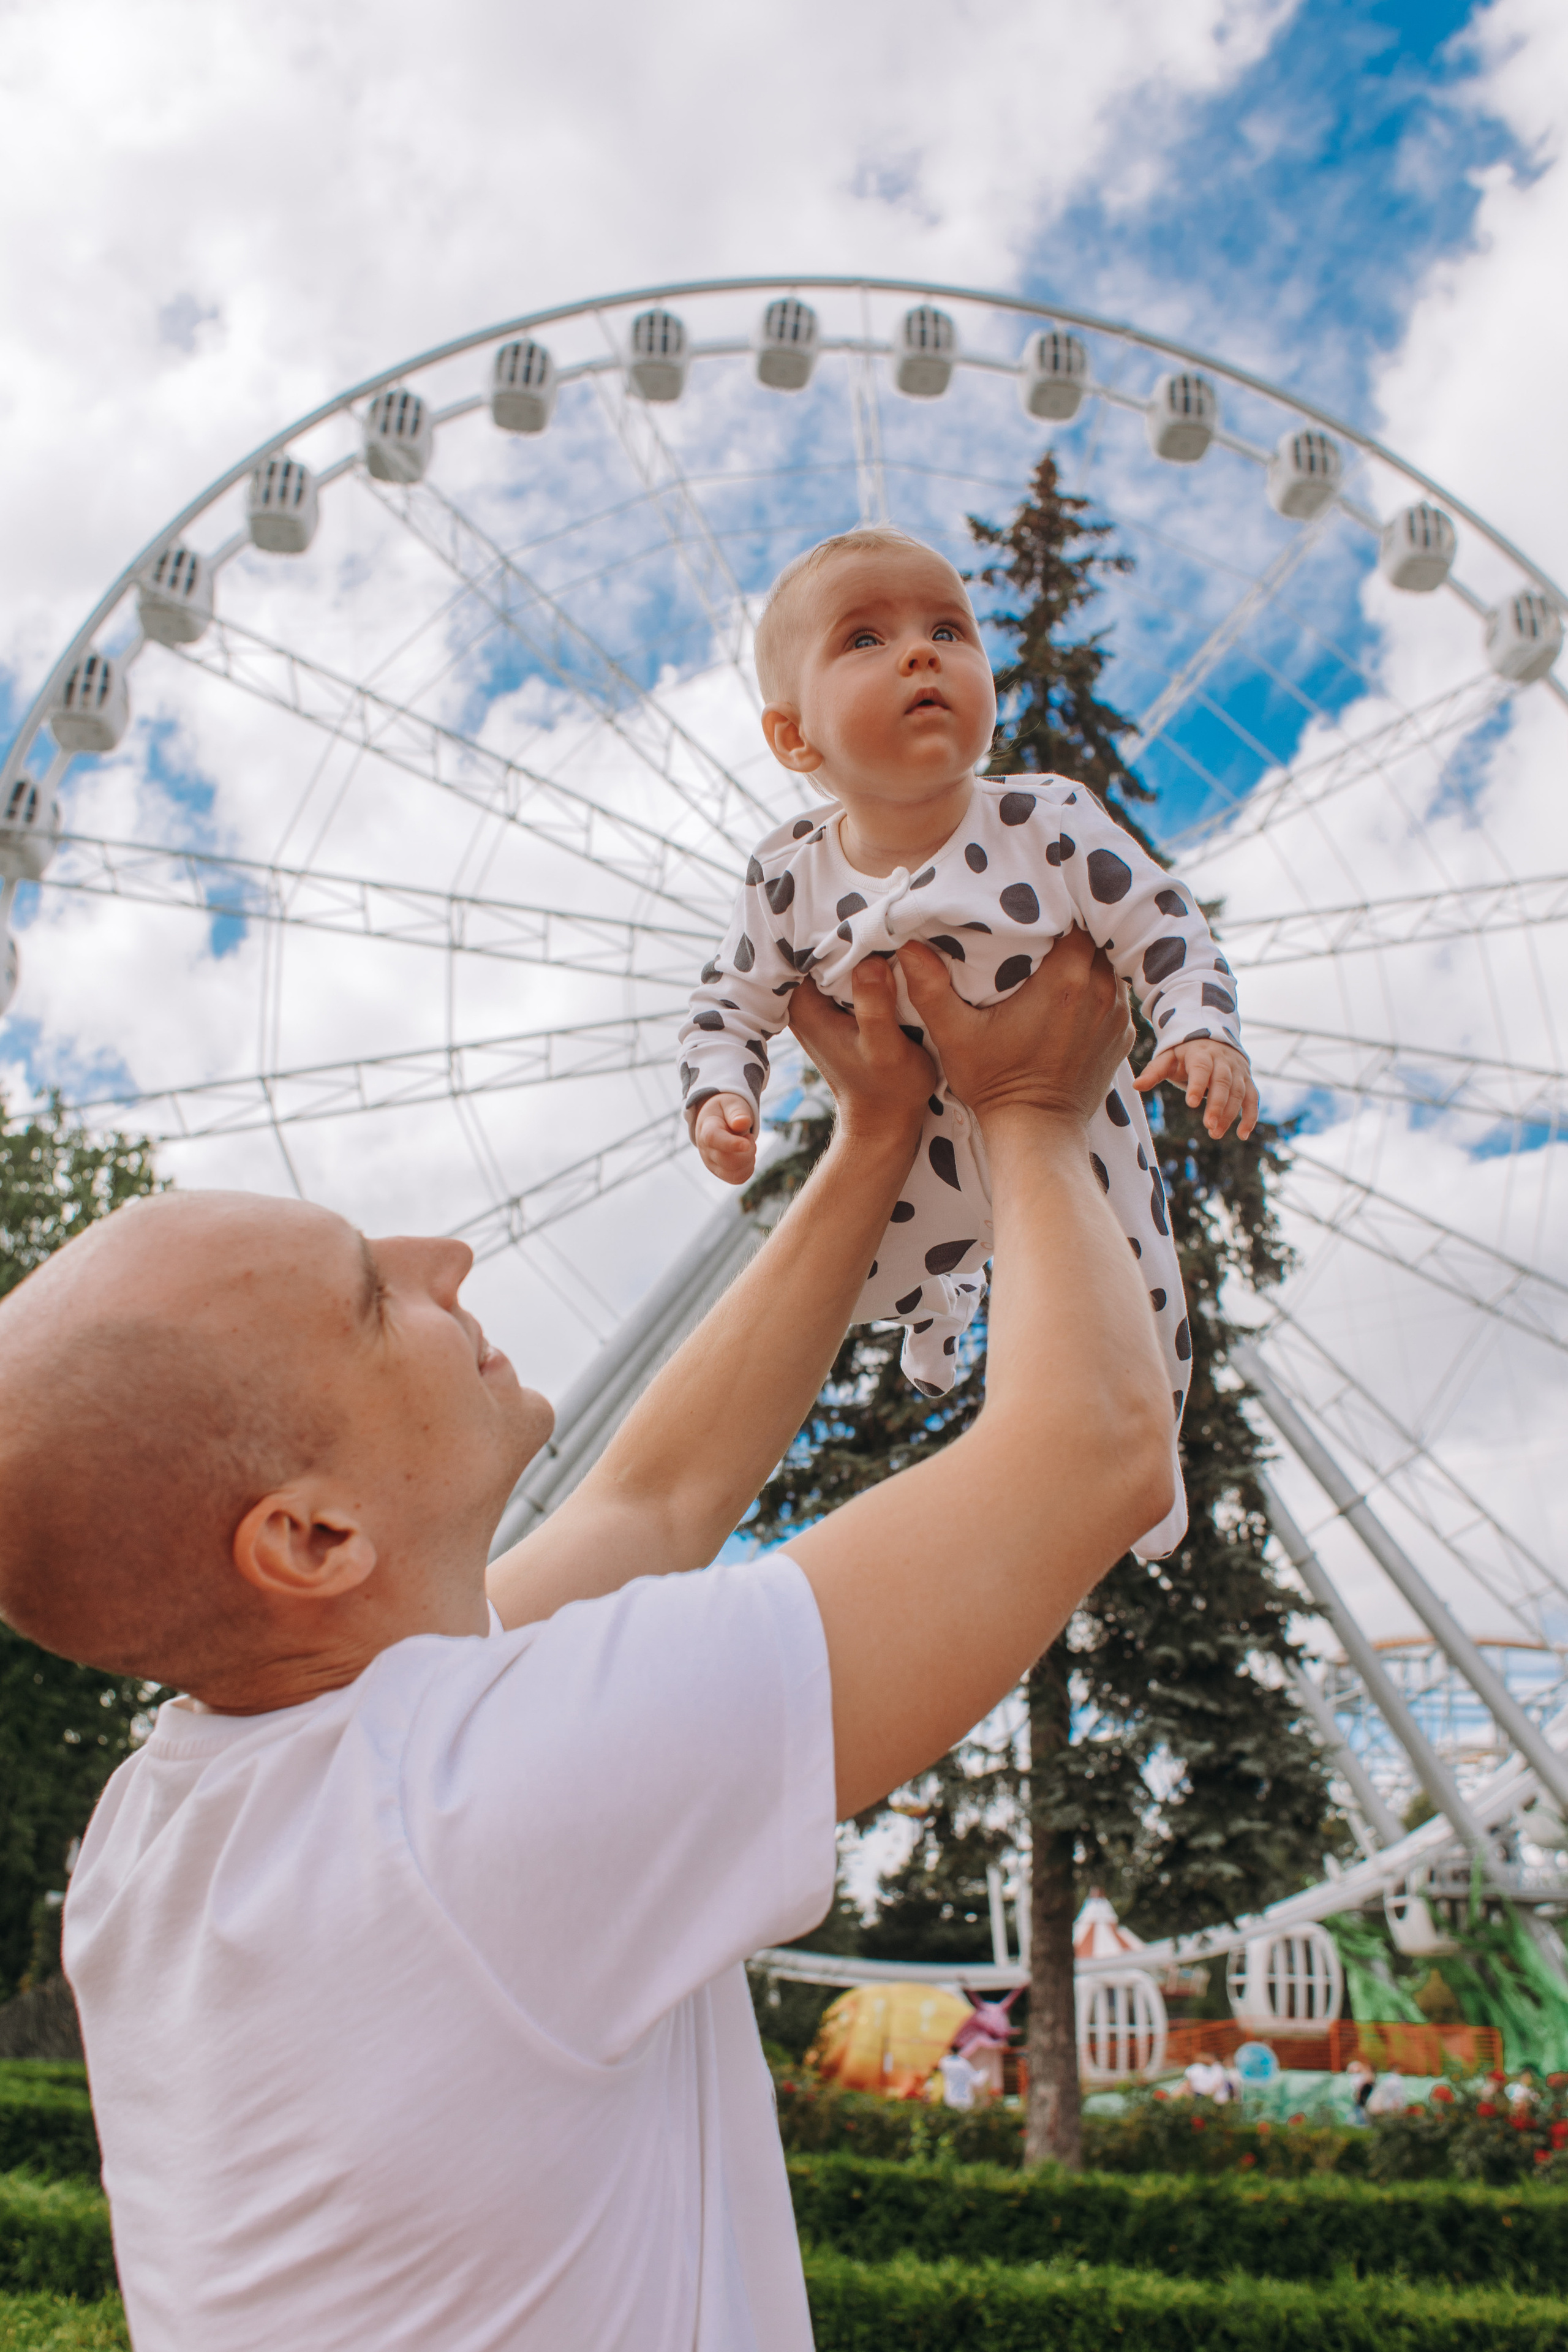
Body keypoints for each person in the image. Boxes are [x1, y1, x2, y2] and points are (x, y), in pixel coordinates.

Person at [0, 925, 1172, 2352]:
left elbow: (655, 1500)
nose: (446, 1253)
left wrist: (870, 1142)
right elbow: (1092, 1453)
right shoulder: (479, 1817)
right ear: (310, 1541)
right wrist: (1032, 1108)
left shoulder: (173, 1825)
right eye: (373, 1295)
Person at [678, 523, 1258, 1559]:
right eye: (865, 638)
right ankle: (939, 1312)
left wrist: (1201, 1026)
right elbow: (730, 1001)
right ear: (796, 741)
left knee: (1140, 1285)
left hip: (1080, 1122)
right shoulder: (785, 876)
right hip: (918, 1142)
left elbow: (1164, 924)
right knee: (836, 1286)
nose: (919, 652)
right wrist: (721, 1092)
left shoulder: (1050, 820)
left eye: (949, 628)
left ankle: (1150, 1477)